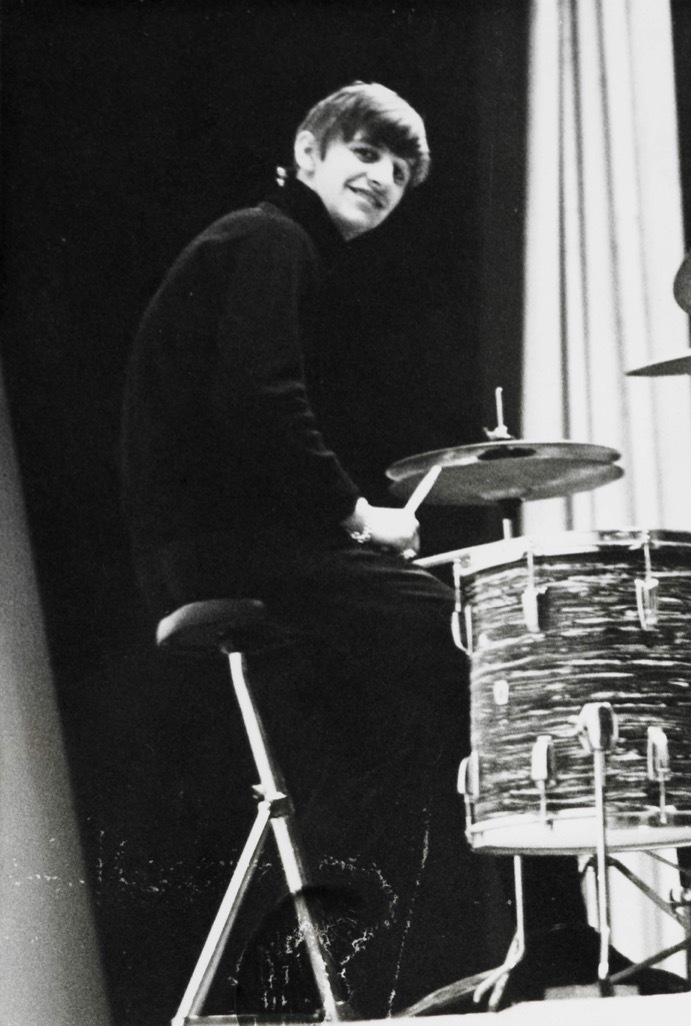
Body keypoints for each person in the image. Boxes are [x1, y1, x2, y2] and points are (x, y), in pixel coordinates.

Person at [120, 81, 508, 1017]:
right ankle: (521, 940)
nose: (383, 179)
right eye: (365, 154)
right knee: (475, 641)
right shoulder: (270, 240)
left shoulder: (268, 243)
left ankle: (410, 968)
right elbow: (259, 404)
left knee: (388, 708)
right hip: (230, 552)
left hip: (213, 549)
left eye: (401, 172)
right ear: (310, 154)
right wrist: (359, 516)